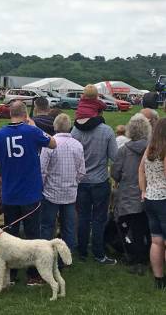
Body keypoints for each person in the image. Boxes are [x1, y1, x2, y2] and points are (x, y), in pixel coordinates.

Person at [0, 101, 56, 285]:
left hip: (10, 192)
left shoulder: (0, 134)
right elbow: (53, 143)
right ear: (26, 114)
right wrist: (33, 125)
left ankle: (10, 275)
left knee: (10, 235)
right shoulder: (32, 131)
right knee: (32, 233)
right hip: (30, 192)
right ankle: (34, 275)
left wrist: (1, 175)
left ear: (10, 113)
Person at [72, 99, 118, 264]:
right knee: (99, 219)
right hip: (99, 180)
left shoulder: (75, 132)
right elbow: (115, 157)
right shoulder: (106, 131)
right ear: (99, 113)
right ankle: (99, 254)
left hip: (81, 181)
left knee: (83, 217)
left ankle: (82, 252)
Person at [112, 113, 151, 275]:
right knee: (145, 229)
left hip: (128, 195)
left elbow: (115, 173)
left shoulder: (123, 151)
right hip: (148, 195)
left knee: (129, 230)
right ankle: (147, 256)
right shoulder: (153, 149)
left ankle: (135, 258)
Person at [40, 113, 85, 252]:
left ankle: (46, 252)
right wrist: (73, 182)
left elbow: (42, 170)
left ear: (55, 126)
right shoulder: (77, 145)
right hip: (70, 193)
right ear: (69, 127)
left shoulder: (49, 144)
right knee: (69, 226)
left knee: (47, 225)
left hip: (50, 192)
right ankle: (67, 255)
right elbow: (82, 171)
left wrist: (42, 186)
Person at [139, 118, 166, 289]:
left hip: (151, 198)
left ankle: (159, 279)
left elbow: (141, 169)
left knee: (156, 241)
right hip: (164, 199)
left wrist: (143, 190)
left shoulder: (150, 149)